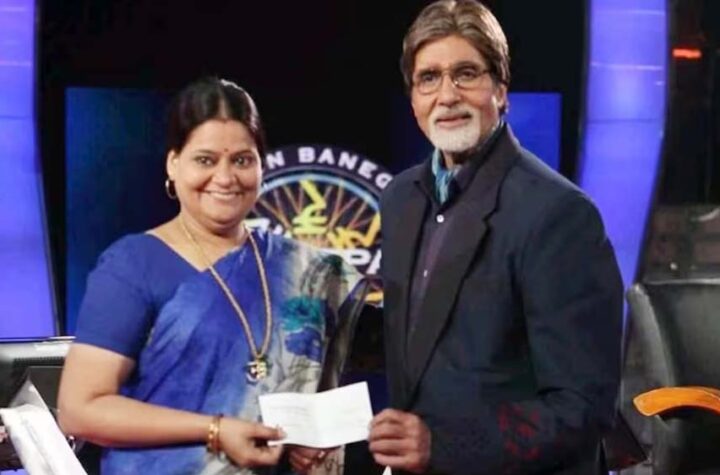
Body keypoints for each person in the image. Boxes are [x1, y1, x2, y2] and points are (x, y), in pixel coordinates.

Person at [58, 77, 364, 474]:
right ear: (173, 164)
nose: (225, 177)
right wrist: (215, 430)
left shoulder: (303, 268)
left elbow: (321, 389)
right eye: (205, 160)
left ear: (261, 166)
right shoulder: (133, 265)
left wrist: (313, 437)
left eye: (242, 160)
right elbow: (81, 410)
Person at [367, 1, 624, 474]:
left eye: (466, 74)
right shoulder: (400, 199)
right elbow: (422, 346)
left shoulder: (559, 215)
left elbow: (581, 406)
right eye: (429, 78)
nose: (447, 95)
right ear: (413, 100)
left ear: (501, 91)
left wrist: (441, 446)